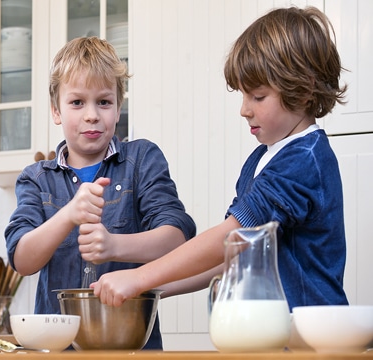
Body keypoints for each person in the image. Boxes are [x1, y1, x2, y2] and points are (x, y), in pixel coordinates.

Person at [91, 6, 349, 311]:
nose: (244, 109)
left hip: (309, 340)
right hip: (273, 335)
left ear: (303, 91)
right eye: (243, 95)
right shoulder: (263, 159)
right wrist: (154, 288)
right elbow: (234, 255)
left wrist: (140, 277)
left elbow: (231, 236)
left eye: (258, 96)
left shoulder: (305, 160)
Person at [4, 36, 197, 350]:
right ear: (56, 110)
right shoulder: (36, 179)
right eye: (77, 102)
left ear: (118, 108)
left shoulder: (142, 161)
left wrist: (114, 245)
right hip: (57, 350)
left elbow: (176, 239)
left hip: (132, 347)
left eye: (103, 102)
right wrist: (68, 215)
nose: (91, 114)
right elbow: (22, 259)